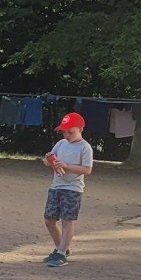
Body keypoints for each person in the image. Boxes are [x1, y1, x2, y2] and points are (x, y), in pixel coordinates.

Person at [42, 111, 94, 267]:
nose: (66, 135)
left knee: (67, 221)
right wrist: (49, 160)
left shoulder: (85, 147)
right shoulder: (60, 144)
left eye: (70, 132)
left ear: (80, 129)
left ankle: (61, 253)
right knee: (49, 220)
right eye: (64, 132)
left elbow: (87, 170)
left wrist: (66, 166)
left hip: (73, 188)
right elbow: (47, 161)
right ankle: (61, 248)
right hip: (56, 186)